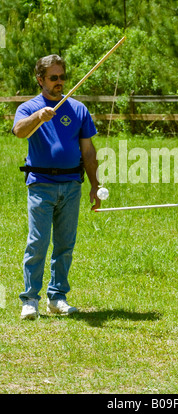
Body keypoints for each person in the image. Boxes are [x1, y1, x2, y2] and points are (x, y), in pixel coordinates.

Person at [13, 54, 100, 320]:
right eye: (54, 78)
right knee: (38, 242)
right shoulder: (30, 108)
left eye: (62, 77)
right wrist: (39, 117)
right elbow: (18, 131)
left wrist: (95, 185)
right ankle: (30, 300)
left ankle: (57, 297)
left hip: (71, 185)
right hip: (41, 185)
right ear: (40, 79)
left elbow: (88, 151)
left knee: (65, 244)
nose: (59, 82)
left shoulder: (78, 110)